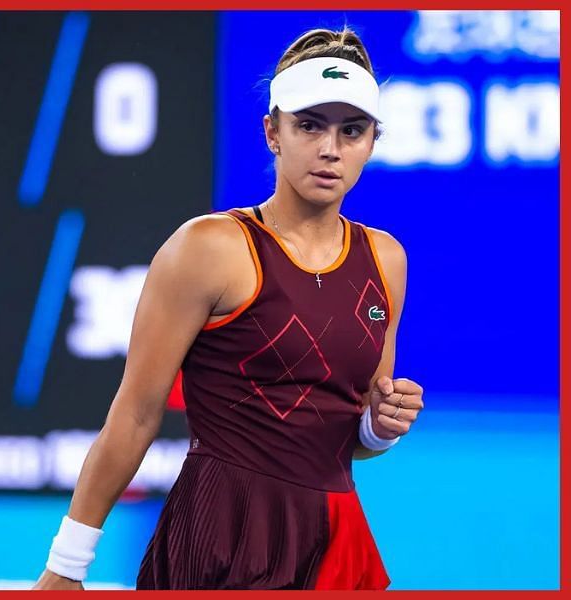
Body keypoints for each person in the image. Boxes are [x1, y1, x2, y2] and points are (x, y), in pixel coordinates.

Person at [34, 28, 424, 590]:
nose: (330, 149)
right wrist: (66, 567)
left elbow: (352, 435)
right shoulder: (208, 246)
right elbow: (135, 415)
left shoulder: (386, 258)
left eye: (352, 130)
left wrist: (382, 426)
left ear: (371, 142)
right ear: (273, 132)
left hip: (336, 539)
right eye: (309, 125)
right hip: (221, 534)